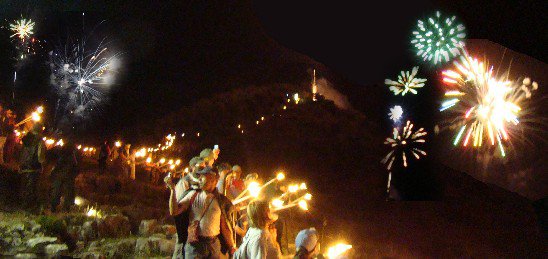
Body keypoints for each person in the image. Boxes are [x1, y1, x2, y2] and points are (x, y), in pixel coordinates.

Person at [168, 166, 236, 258]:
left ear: (213, 180)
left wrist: (232, 247)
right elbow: (174, 212)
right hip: (195, 245)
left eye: (202, 177)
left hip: (213, 245)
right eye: (199, 177)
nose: (199, 179)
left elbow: (225, 226)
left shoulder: (221, 201)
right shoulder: (192, 195)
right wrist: (172, 190)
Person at [19, 123, 46, 212]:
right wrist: (42, 165)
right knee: (32, 188)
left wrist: (20, 164)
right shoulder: (39, 140)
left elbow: (22, 152)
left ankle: (22, 205)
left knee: (24, 186)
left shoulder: (26, 139)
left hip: (24, 166)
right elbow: (40, 156)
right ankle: (29, 208)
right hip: (34, 167)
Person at [50, 139, 79, 212]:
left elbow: (56, 164)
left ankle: (54, 206)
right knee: (67, 191)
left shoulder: (61, 154)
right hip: (67, 175)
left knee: (57, 191)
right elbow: (75, 166)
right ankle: (65, 208)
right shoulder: (72, 156)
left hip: (60, 175)